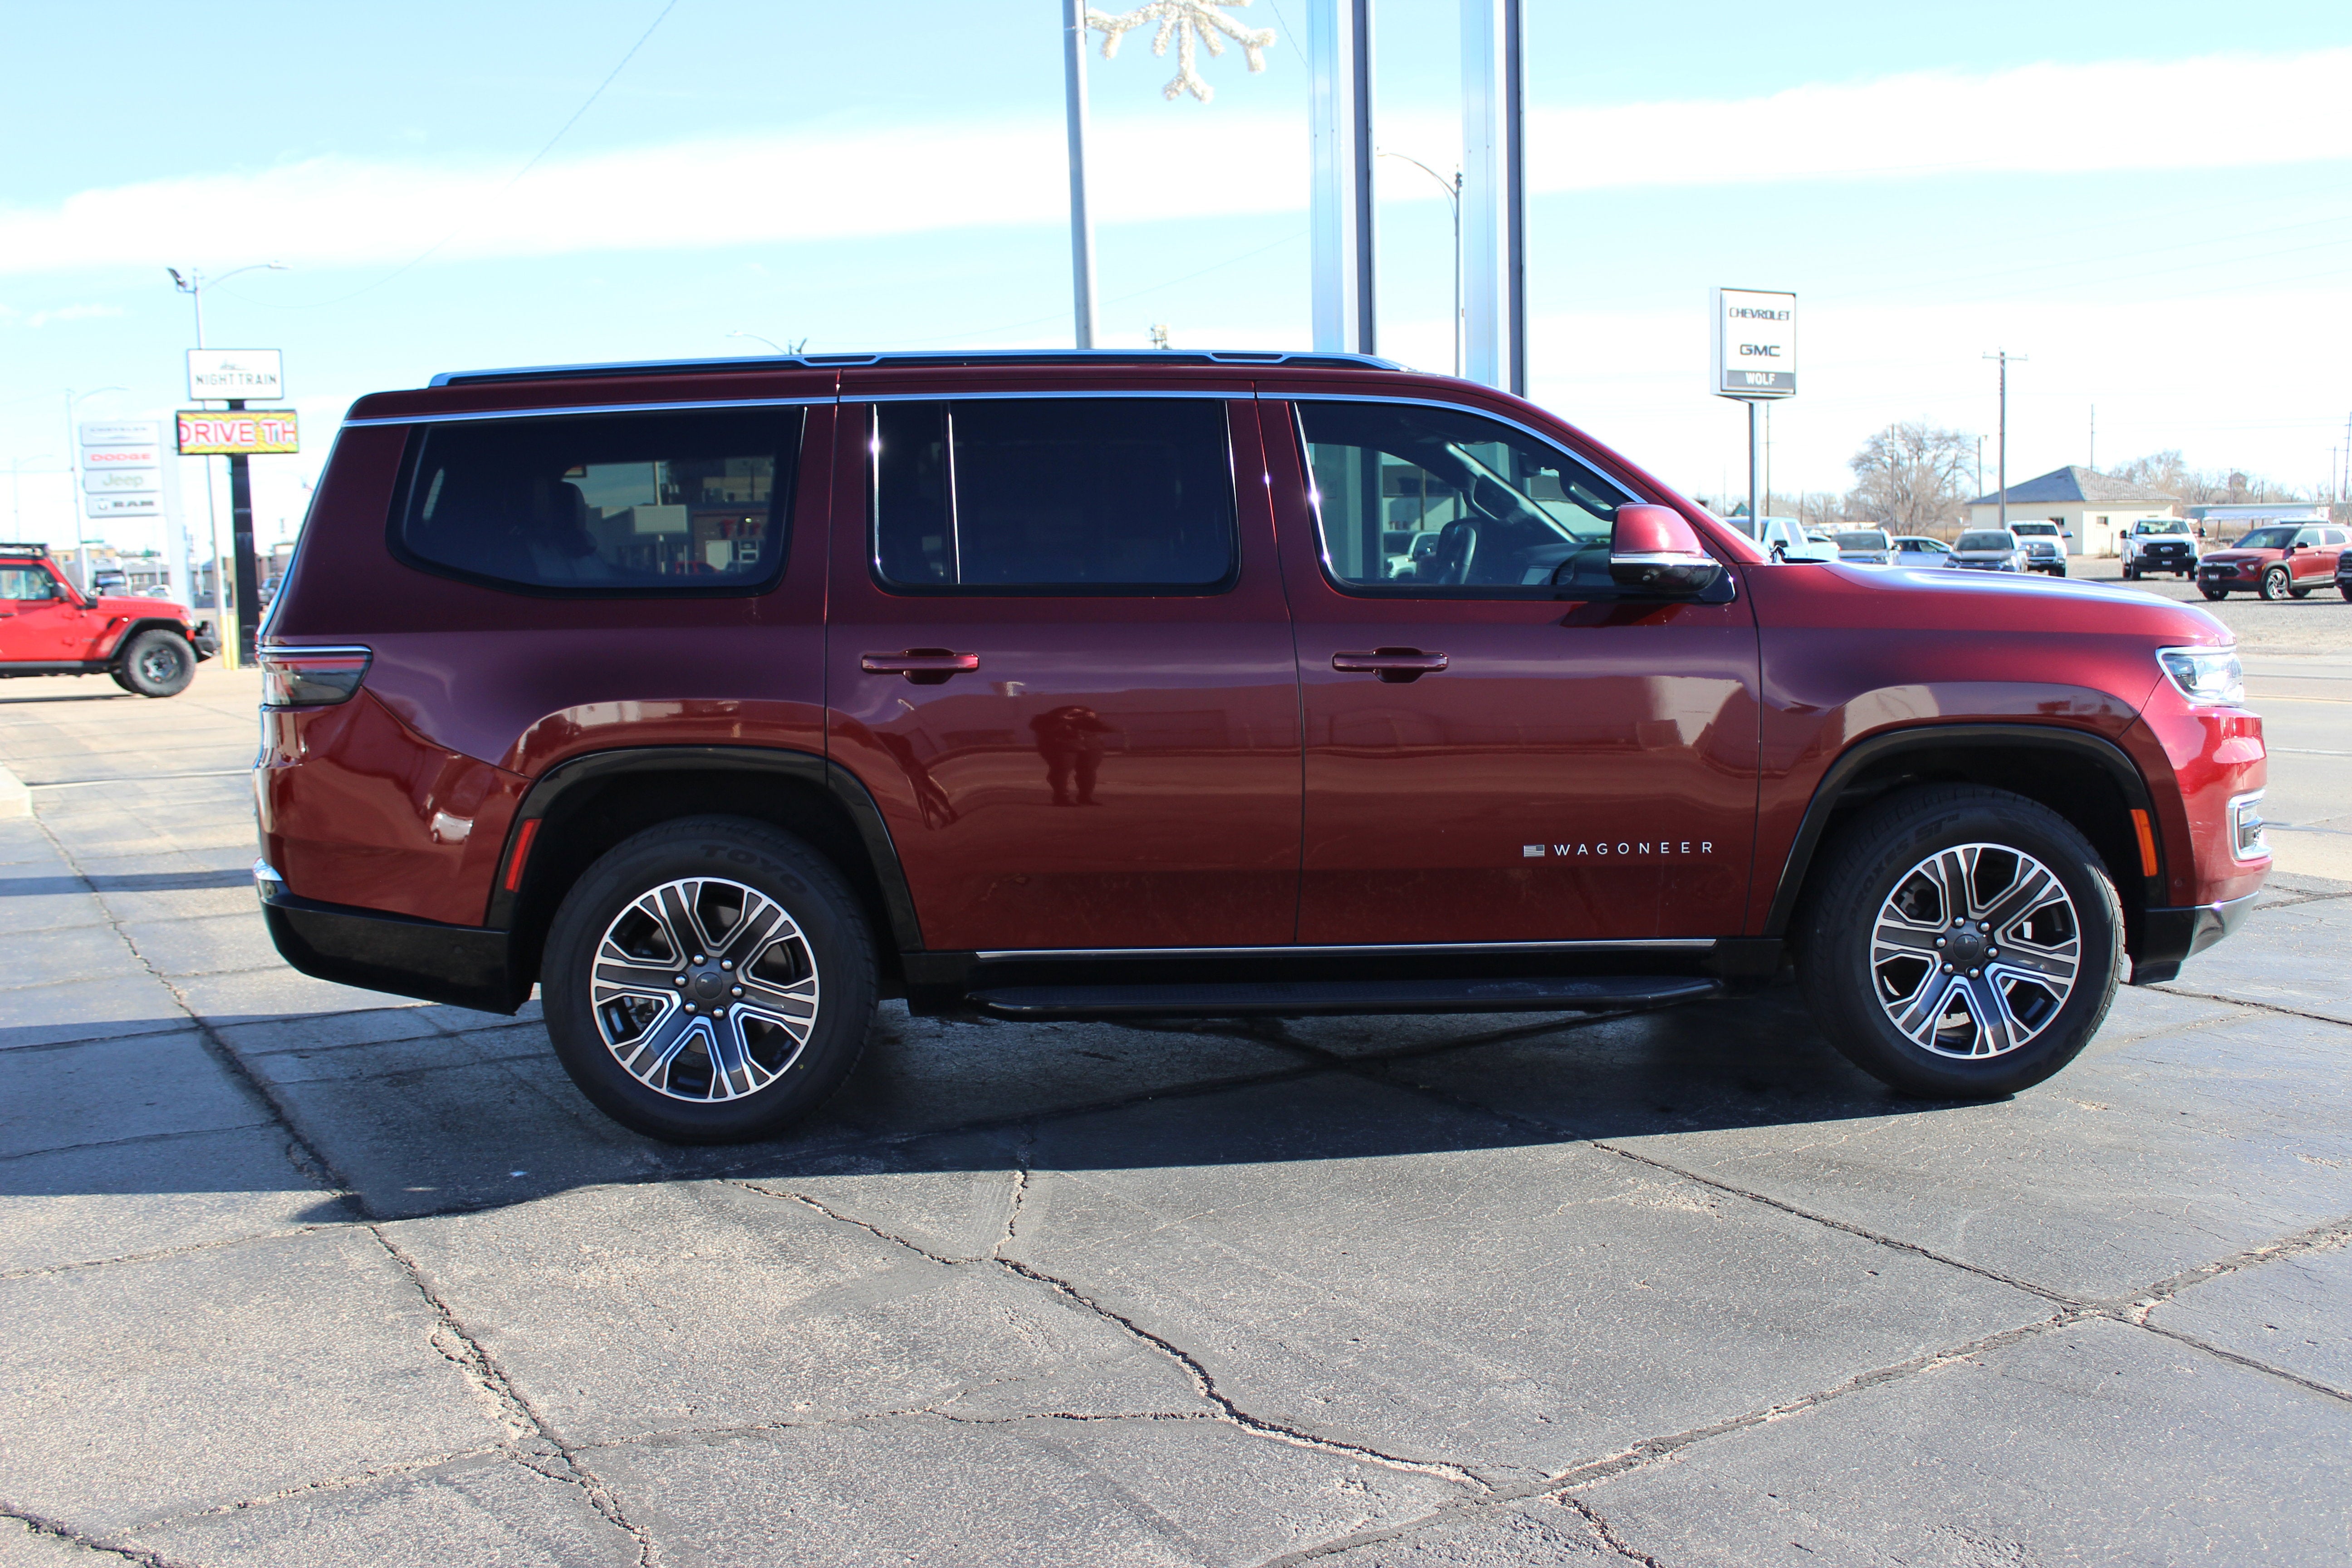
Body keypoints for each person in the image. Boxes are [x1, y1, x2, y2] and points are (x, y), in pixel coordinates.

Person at [1030, 705, 1112, 806]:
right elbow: (1047, 729)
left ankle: (1085, 797)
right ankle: (1061, 798)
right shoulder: (1052, 721)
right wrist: (1066, 720)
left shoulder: (1088, 721)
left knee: (1088, 772)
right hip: (1063, 746)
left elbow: (1105, 728)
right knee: (1062, 770)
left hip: (1089, 746)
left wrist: (1094, 721)